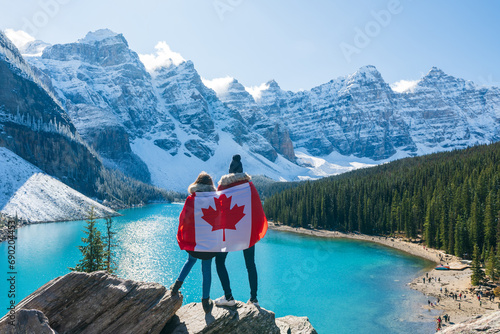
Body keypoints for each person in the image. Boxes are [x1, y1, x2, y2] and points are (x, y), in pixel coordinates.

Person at [214, 155, 261, 307]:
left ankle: (228, 297)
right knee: (250, 264)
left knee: (220, 261)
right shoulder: (249, 186)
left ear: (229, 171)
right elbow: (256, 208)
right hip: (246, 231)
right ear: (241, 171)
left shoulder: (222, 187)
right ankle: (254, 300)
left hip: (228, 232)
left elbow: (216, 208)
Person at [171, 172, 217, 313]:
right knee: (206, 270)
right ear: (210, 185)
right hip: (208, 245)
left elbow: (183, 219)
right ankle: (205, 301)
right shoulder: (215, 200)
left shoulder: (191, 199)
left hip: (194, 244)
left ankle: (176, 286)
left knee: (190, 261)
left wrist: (184, 237)